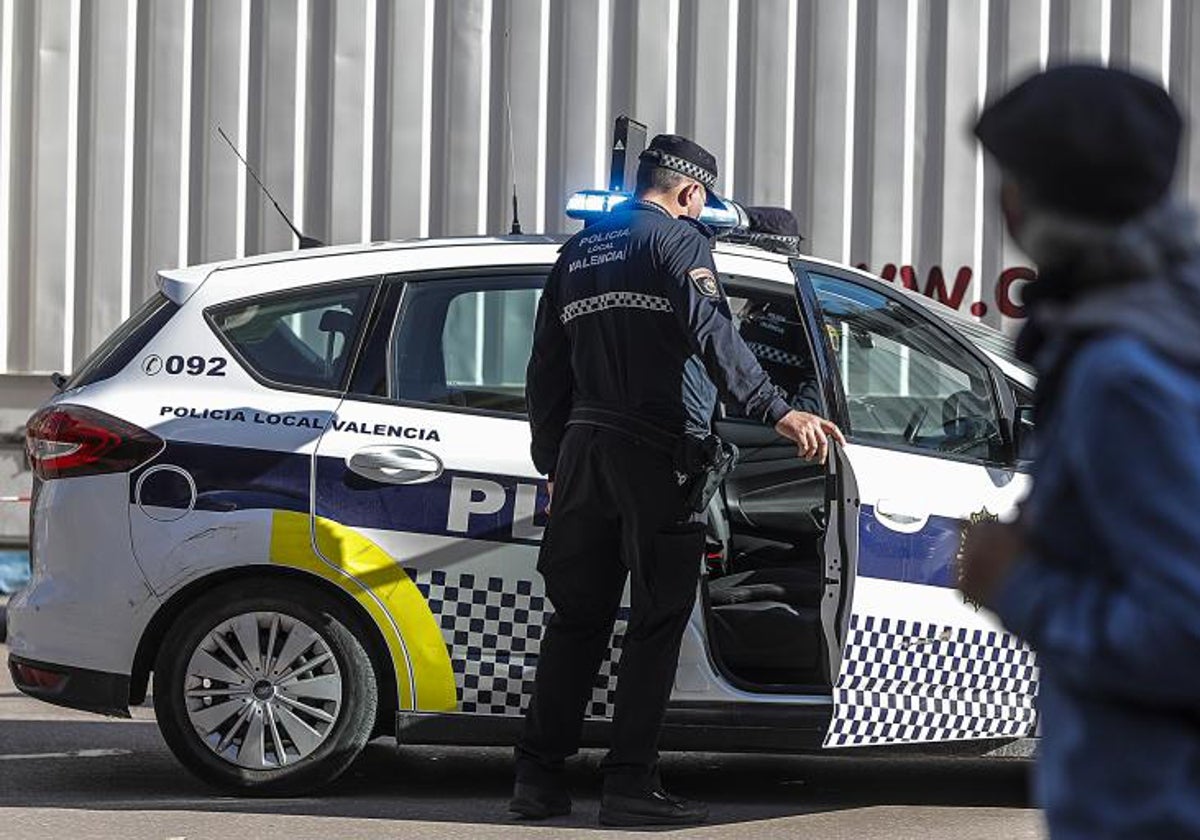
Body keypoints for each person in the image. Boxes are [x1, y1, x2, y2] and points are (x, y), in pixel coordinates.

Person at [513, 134, 845, 827]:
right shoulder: (679, 244)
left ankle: (538, 782)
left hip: (583, 455)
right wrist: (778, 411)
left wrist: (553, 464)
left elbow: (546, 369)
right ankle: (629, 784)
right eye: (699, 204)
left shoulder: (576, 253)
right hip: (656, 455)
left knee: (576, 622)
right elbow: (714, 332)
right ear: (690, 193)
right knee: (656, 623)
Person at [957, 65, 1200, 839]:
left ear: (1026, 202)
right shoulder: (1169, 325)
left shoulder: (1120, 373)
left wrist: (1018, 585)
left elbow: (1185, 633)